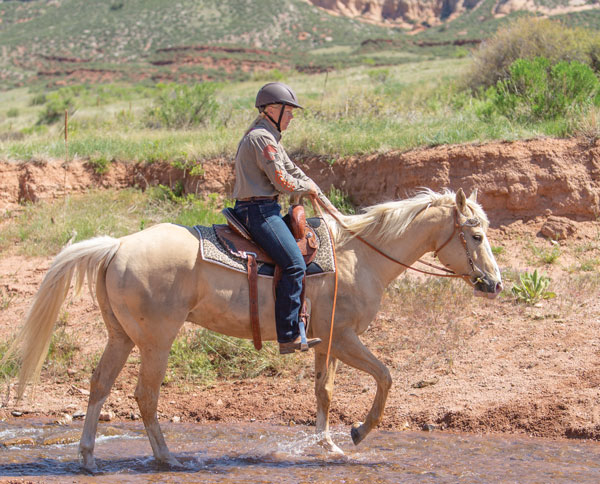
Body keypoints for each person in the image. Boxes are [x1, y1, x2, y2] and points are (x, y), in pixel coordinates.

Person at [232, 82, 334, 355]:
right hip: (258, 212)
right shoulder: (261, 139)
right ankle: (288, 335)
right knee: (293, 264)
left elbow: (291, 170)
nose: (291, 117)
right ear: (273, 109)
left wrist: (314, 188)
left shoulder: (270, 136)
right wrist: (305, 188)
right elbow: (281, 180)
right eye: (288, 111)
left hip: (264, 208)